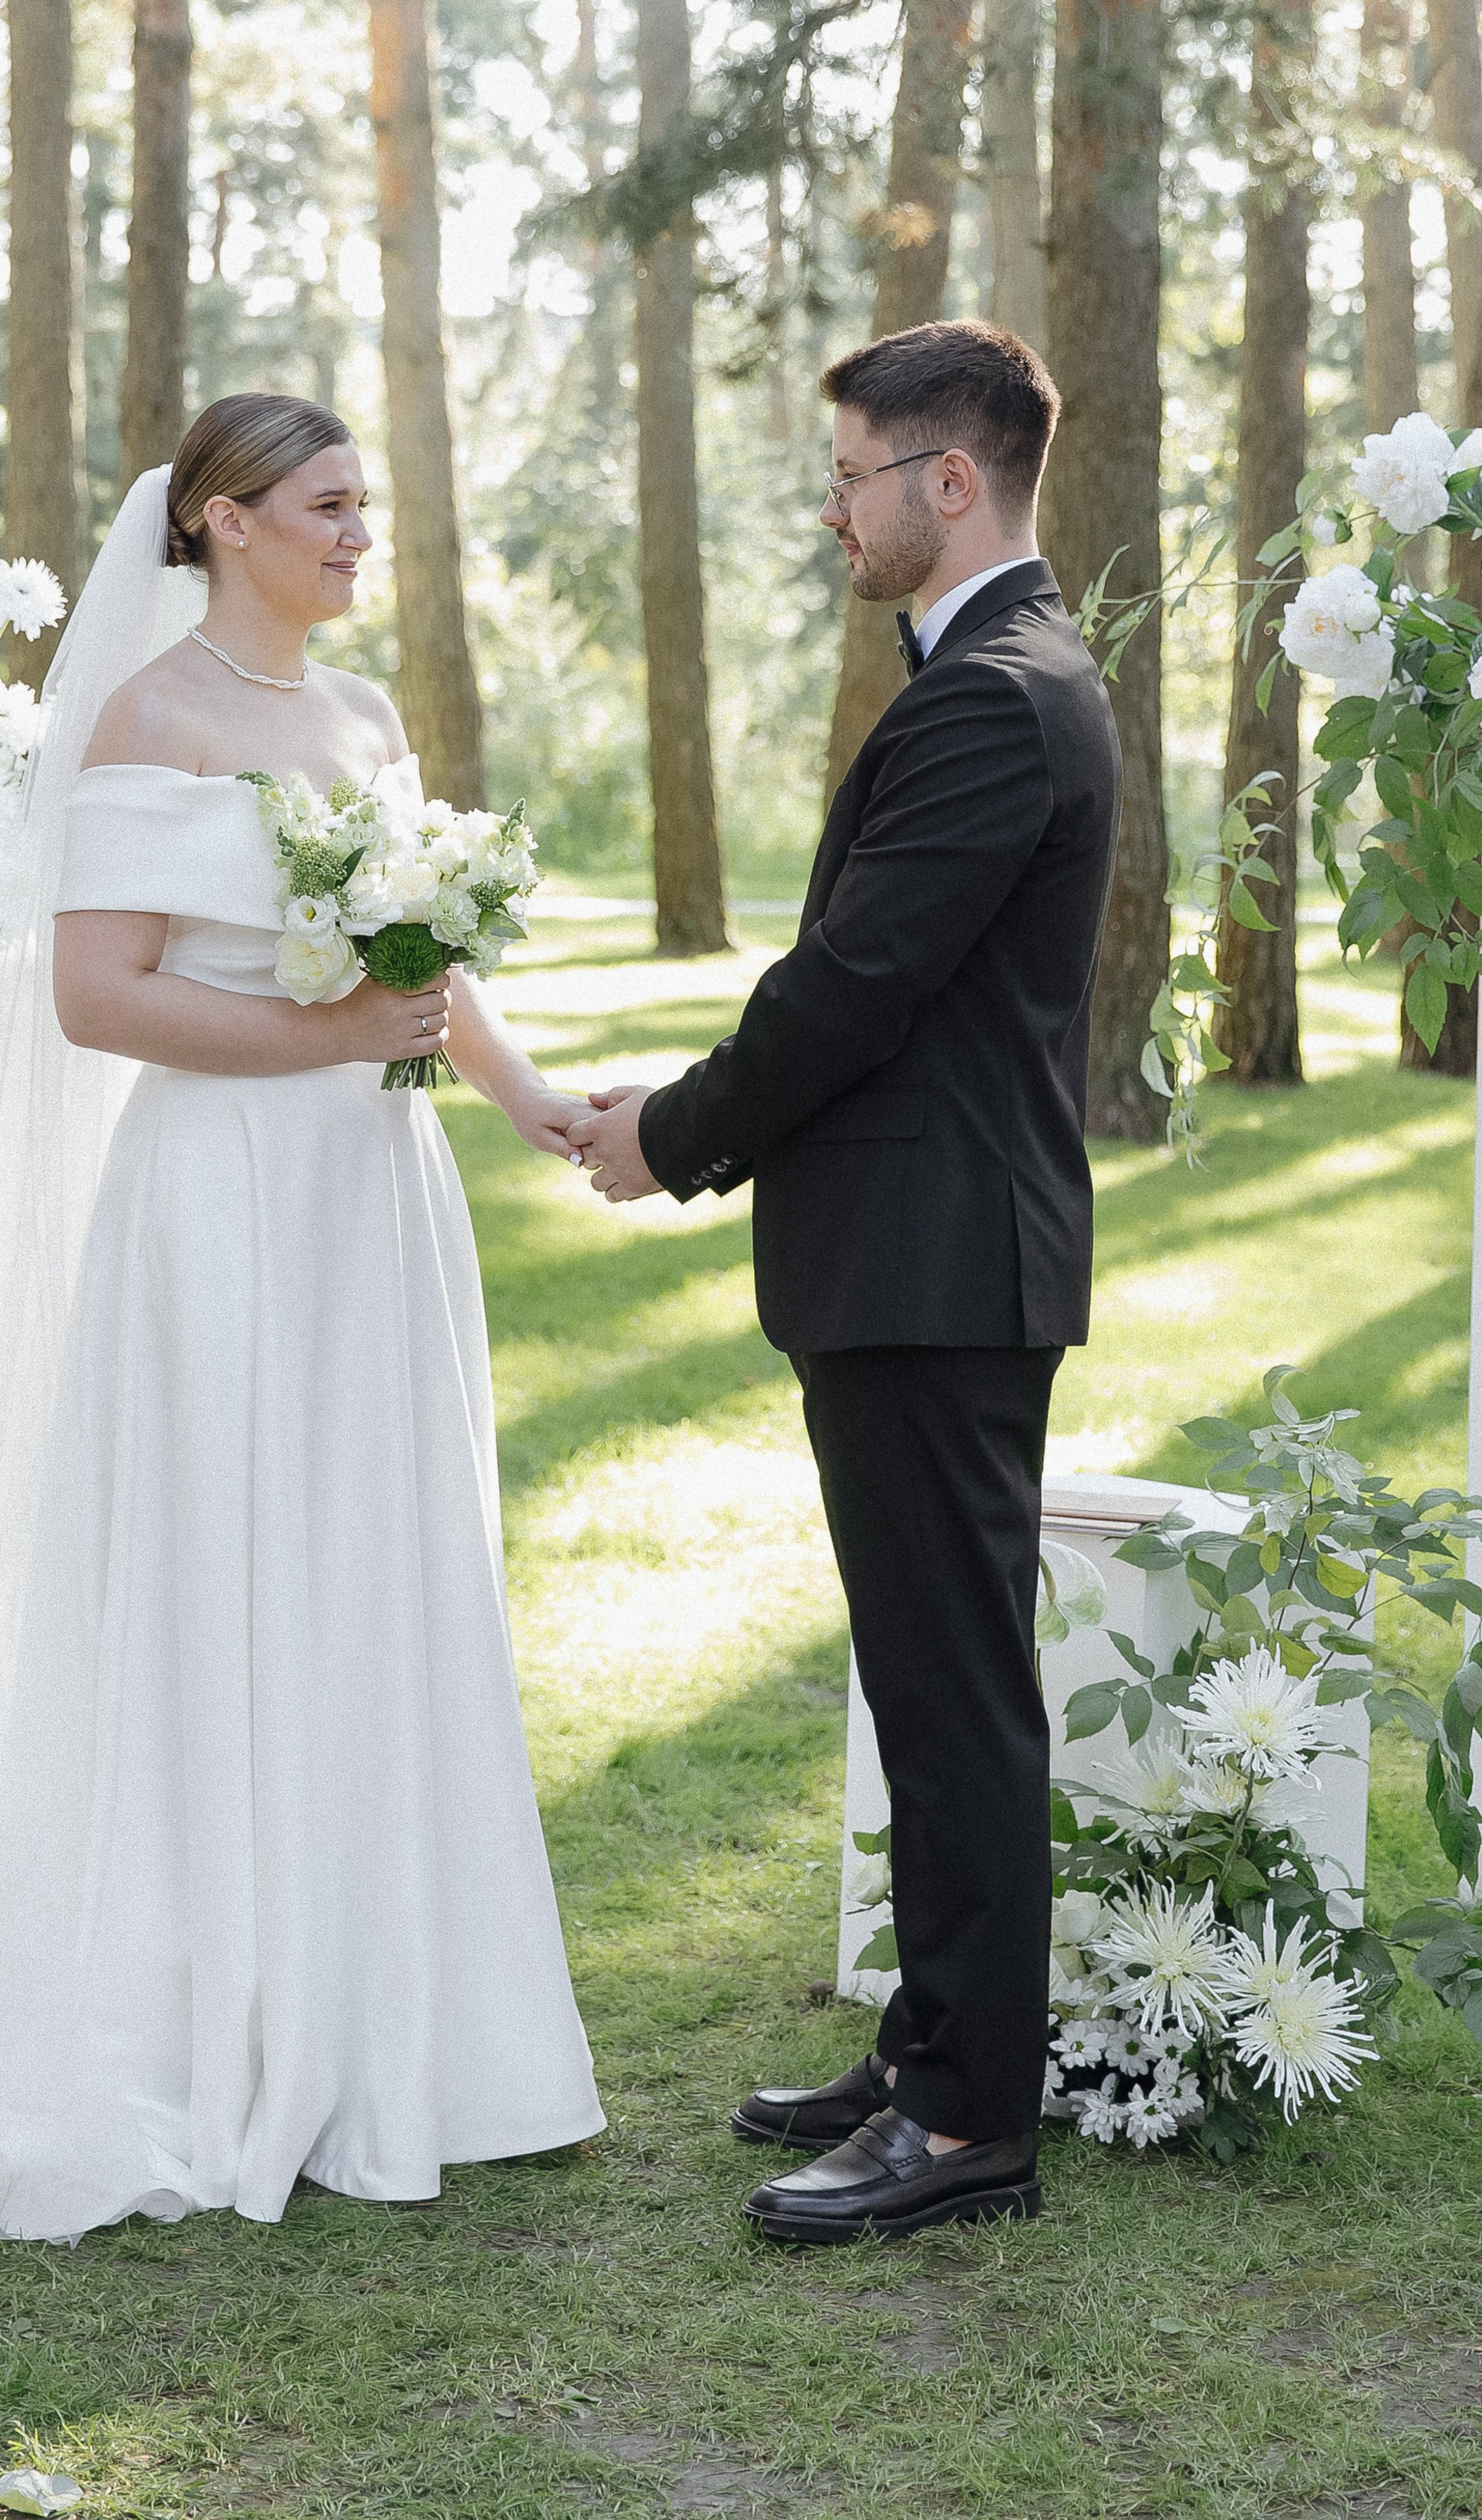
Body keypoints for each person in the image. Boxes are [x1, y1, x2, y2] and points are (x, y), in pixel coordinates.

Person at [0, 394, 603, 2245]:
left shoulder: (361, 721)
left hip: (368, 1202)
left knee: (367, 1570)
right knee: (214, 1573)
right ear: (222, 522)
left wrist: (538, 1109)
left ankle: (389, 2022)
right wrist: (326, 1038)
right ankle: (199, 2009)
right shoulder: (149, 719)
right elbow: (98, 1001)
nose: (360, 535)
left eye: (366, 506)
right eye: (329, 506)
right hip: (213, 1206)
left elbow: (432, 963)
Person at [566, 319, 1119, 2246]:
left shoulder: (992, 696)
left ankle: (966, 2123)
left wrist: (673, 1130)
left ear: (945, 481)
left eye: (851, 476)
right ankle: (927, 2041)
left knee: (955, 1697)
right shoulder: (991, 674)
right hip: (921, 1256)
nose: (833, 511)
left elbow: (855, 987)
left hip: (935, 1264)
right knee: (923, 1679)